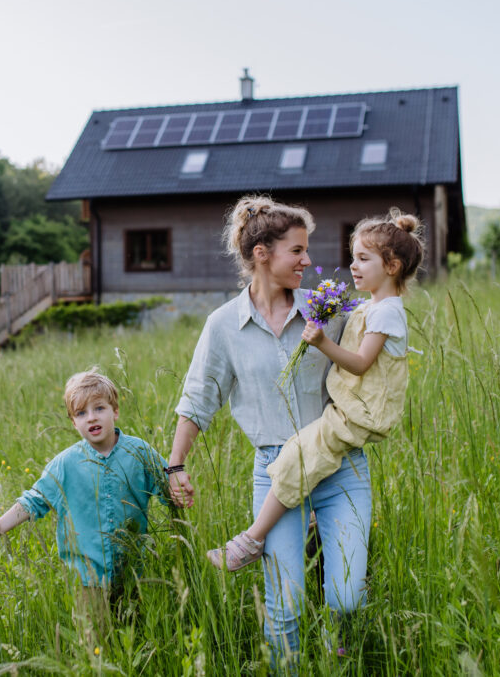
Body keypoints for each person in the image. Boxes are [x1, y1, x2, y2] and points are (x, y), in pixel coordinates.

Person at [167, 194, 350, 668]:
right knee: (285, 603)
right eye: (297, 250)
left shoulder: (325, 309)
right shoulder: (224, 325)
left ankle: (338, 662)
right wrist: (176, 465)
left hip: (335, 464)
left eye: (307, 250)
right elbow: (198, 398)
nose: (308, 261)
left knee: (345, 595)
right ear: (261, 254)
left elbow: (369, 352)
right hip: (274, 472)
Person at [208, 209, 424, 575]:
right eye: (353, 257)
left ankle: (251, 540)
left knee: (298, 456)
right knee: (304, 455)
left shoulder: (387, 313)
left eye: (363, 259)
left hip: (357, 413)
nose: (352, 266)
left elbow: (359, 363)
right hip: (348, 409)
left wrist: (321, 341)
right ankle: (306, 519)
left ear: (392, 266)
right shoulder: (373, 306)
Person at [0, 369, 166, 627]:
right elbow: (33, 501)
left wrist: (178, 491)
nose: (91, 418)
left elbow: (167, 484)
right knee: (95, 643)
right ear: (73, 422)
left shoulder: (140, 452)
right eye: (81, 413)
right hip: (87, 578)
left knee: (136, 634)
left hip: (135, 573)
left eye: (99, 408)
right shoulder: (65, 464)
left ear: (115, 411)